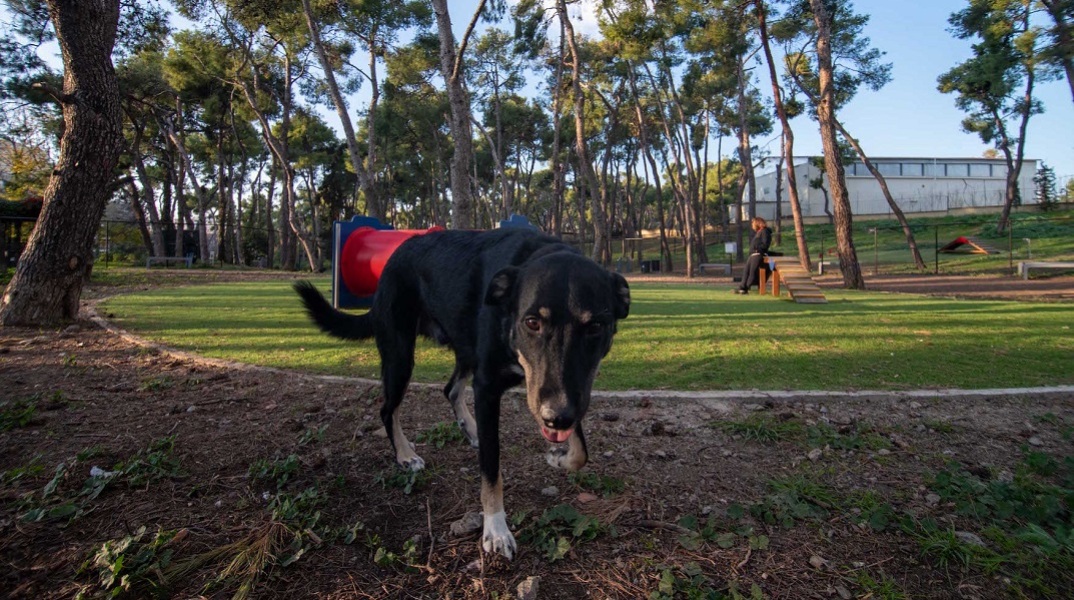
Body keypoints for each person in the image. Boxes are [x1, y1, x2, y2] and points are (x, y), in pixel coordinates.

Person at [736, 217, 772, 294]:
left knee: (753, 272)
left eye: (753, 223)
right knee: (746, 272)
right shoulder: (758, 232)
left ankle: (747, 287)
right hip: (752, 255)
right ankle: (742, 288)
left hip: (758, 254)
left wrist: (758, 249)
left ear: (757, 223)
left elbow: (765, 244)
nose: (752, 225)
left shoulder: (765, 231)